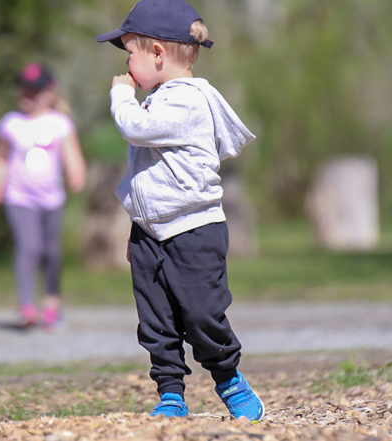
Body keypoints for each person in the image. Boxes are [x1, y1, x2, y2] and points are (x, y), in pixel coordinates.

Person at [96, 0, 265, 422]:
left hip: (193, 231)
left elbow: (135, 129)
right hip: (151, 232)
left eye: (130, 51)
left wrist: (121, 95)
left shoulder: (186, 100)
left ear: (157, 53)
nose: (127, 63)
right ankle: (170, 391)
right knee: (156, 321)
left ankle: (228, 378)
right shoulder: (162, 97)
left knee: (202, 315)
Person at [0, 62, 86, 329]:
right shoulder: (11, 124)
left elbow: (71, 154)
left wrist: (76, 173)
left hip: (51, 199)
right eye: (24, 90)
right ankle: (27, 305)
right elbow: (0, 158)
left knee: (51, 252)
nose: (28, 96)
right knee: (29, 247)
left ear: (50, 93)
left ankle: (51, 301)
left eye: (35, 91)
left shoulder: (59, 123)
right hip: (19, 197)